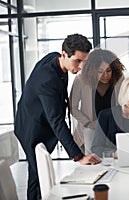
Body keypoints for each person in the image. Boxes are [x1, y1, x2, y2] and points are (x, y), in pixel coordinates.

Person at [14, 34, 101, 200]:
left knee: (35, 174)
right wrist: (79, 156)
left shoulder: (55, 59)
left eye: (85, 61)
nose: (82, 66)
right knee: (39, 174)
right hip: (31, 128)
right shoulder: (47, 80)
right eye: (77, 61)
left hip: (40, 120)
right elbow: (56, 121)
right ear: (64, 54)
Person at [70, 48, 125, 154]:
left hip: (112, 130)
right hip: (89, 131)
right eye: (100, 71)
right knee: (92, 165)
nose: (105, 75)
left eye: (108, 71)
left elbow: (123, 102)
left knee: (114, 160)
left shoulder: (119, 78)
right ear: (93, 70)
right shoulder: (81, 79)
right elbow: (73, 107)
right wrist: (88, 123)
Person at [91, 76, 129, 157]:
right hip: (113, 163)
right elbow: (96, 148)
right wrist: (114, 154)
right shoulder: (105, 116)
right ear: (124, 94)